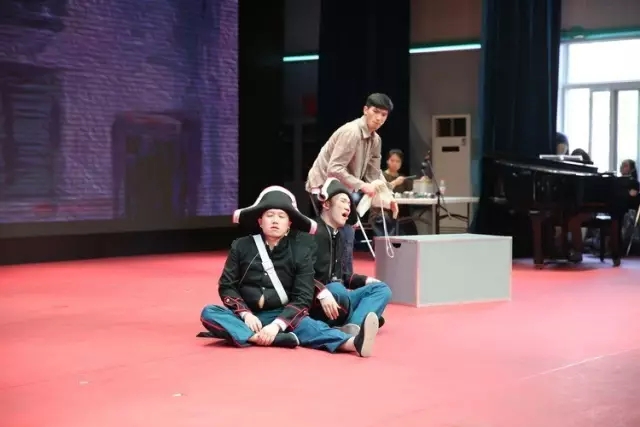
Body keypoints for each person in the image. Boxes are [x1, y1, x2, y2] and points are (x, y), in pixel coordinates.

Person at [197, 185, 380, 357]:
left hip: (281, 314)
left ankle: (354, 343)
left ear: (289, 224)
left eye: (281, 216)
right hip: (248, 314)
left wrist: (277, 325)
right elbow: (227, 286)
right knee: (209, 312)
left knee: (313, 328)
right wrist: (245, 314)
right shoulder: (241, 246)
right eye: (270, 215)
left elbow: (303, 297)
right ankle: (261, 338)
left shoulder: (300, 251)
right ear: (260, 221)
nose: (275, 220)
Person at [306, 93, 398, 275]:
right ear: (365, 110)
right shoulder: (352, 132)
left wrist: (388, 197)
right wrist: (362, 186)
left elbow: (374, 173)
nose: (379, 118)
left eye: (384, 114)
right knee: (335, 236)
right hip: (323, 186)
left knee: (347, 235)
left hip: (344, 190)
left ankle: (344, 280)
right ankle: (328, 281)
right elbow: (334, 169)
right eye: (376, 112)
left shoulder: (376, 140)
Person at [307, 178, 392, 335]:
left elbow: (344, 277)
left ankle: (354, 326)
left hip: (339, 298)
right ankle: (361, 317)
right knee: (338, 290)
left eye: (349, 203)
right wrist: (322, 292)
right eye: (343, 201)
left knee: (381, 289)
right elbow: (300, 275)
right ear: (326, 204)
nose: (348, 206)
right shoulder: (312, 233)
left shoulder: (339, 236)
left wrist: (367, 280)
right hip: (318, 300)